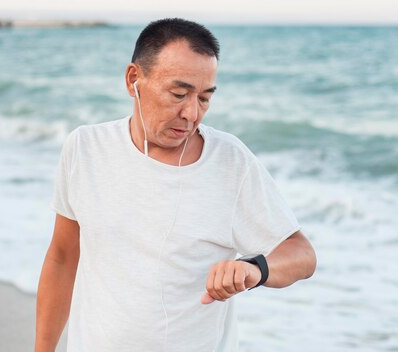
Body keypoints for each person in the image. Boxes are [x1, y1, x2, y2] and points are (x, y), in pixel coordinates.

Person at [35, 18, 316, 352]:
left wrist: (255, 269)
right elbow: (63, 257)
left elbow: (301, 255)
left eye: (205, 99)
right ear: (133, 80)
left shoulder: (230, 163)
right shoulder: (85, 147)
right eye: (179, 93)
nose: (191, 113)